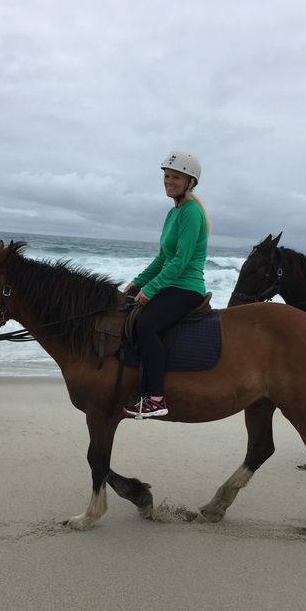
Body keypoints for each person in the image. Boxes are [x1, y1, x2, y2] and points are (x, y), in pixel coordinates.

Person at [123, 150, 209, 418]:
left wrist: (150, 290)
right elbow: (163, 258)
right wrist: (137, 283)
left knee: (146, 325)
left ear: (190, 182)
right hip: (172, 284)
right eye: (166, 176)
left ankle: (156, 398)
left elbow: (180, 262)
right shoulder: (173, 213)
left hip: (186, 288)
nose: (168, 181)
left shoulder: (191, 213)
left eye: (175, 177)